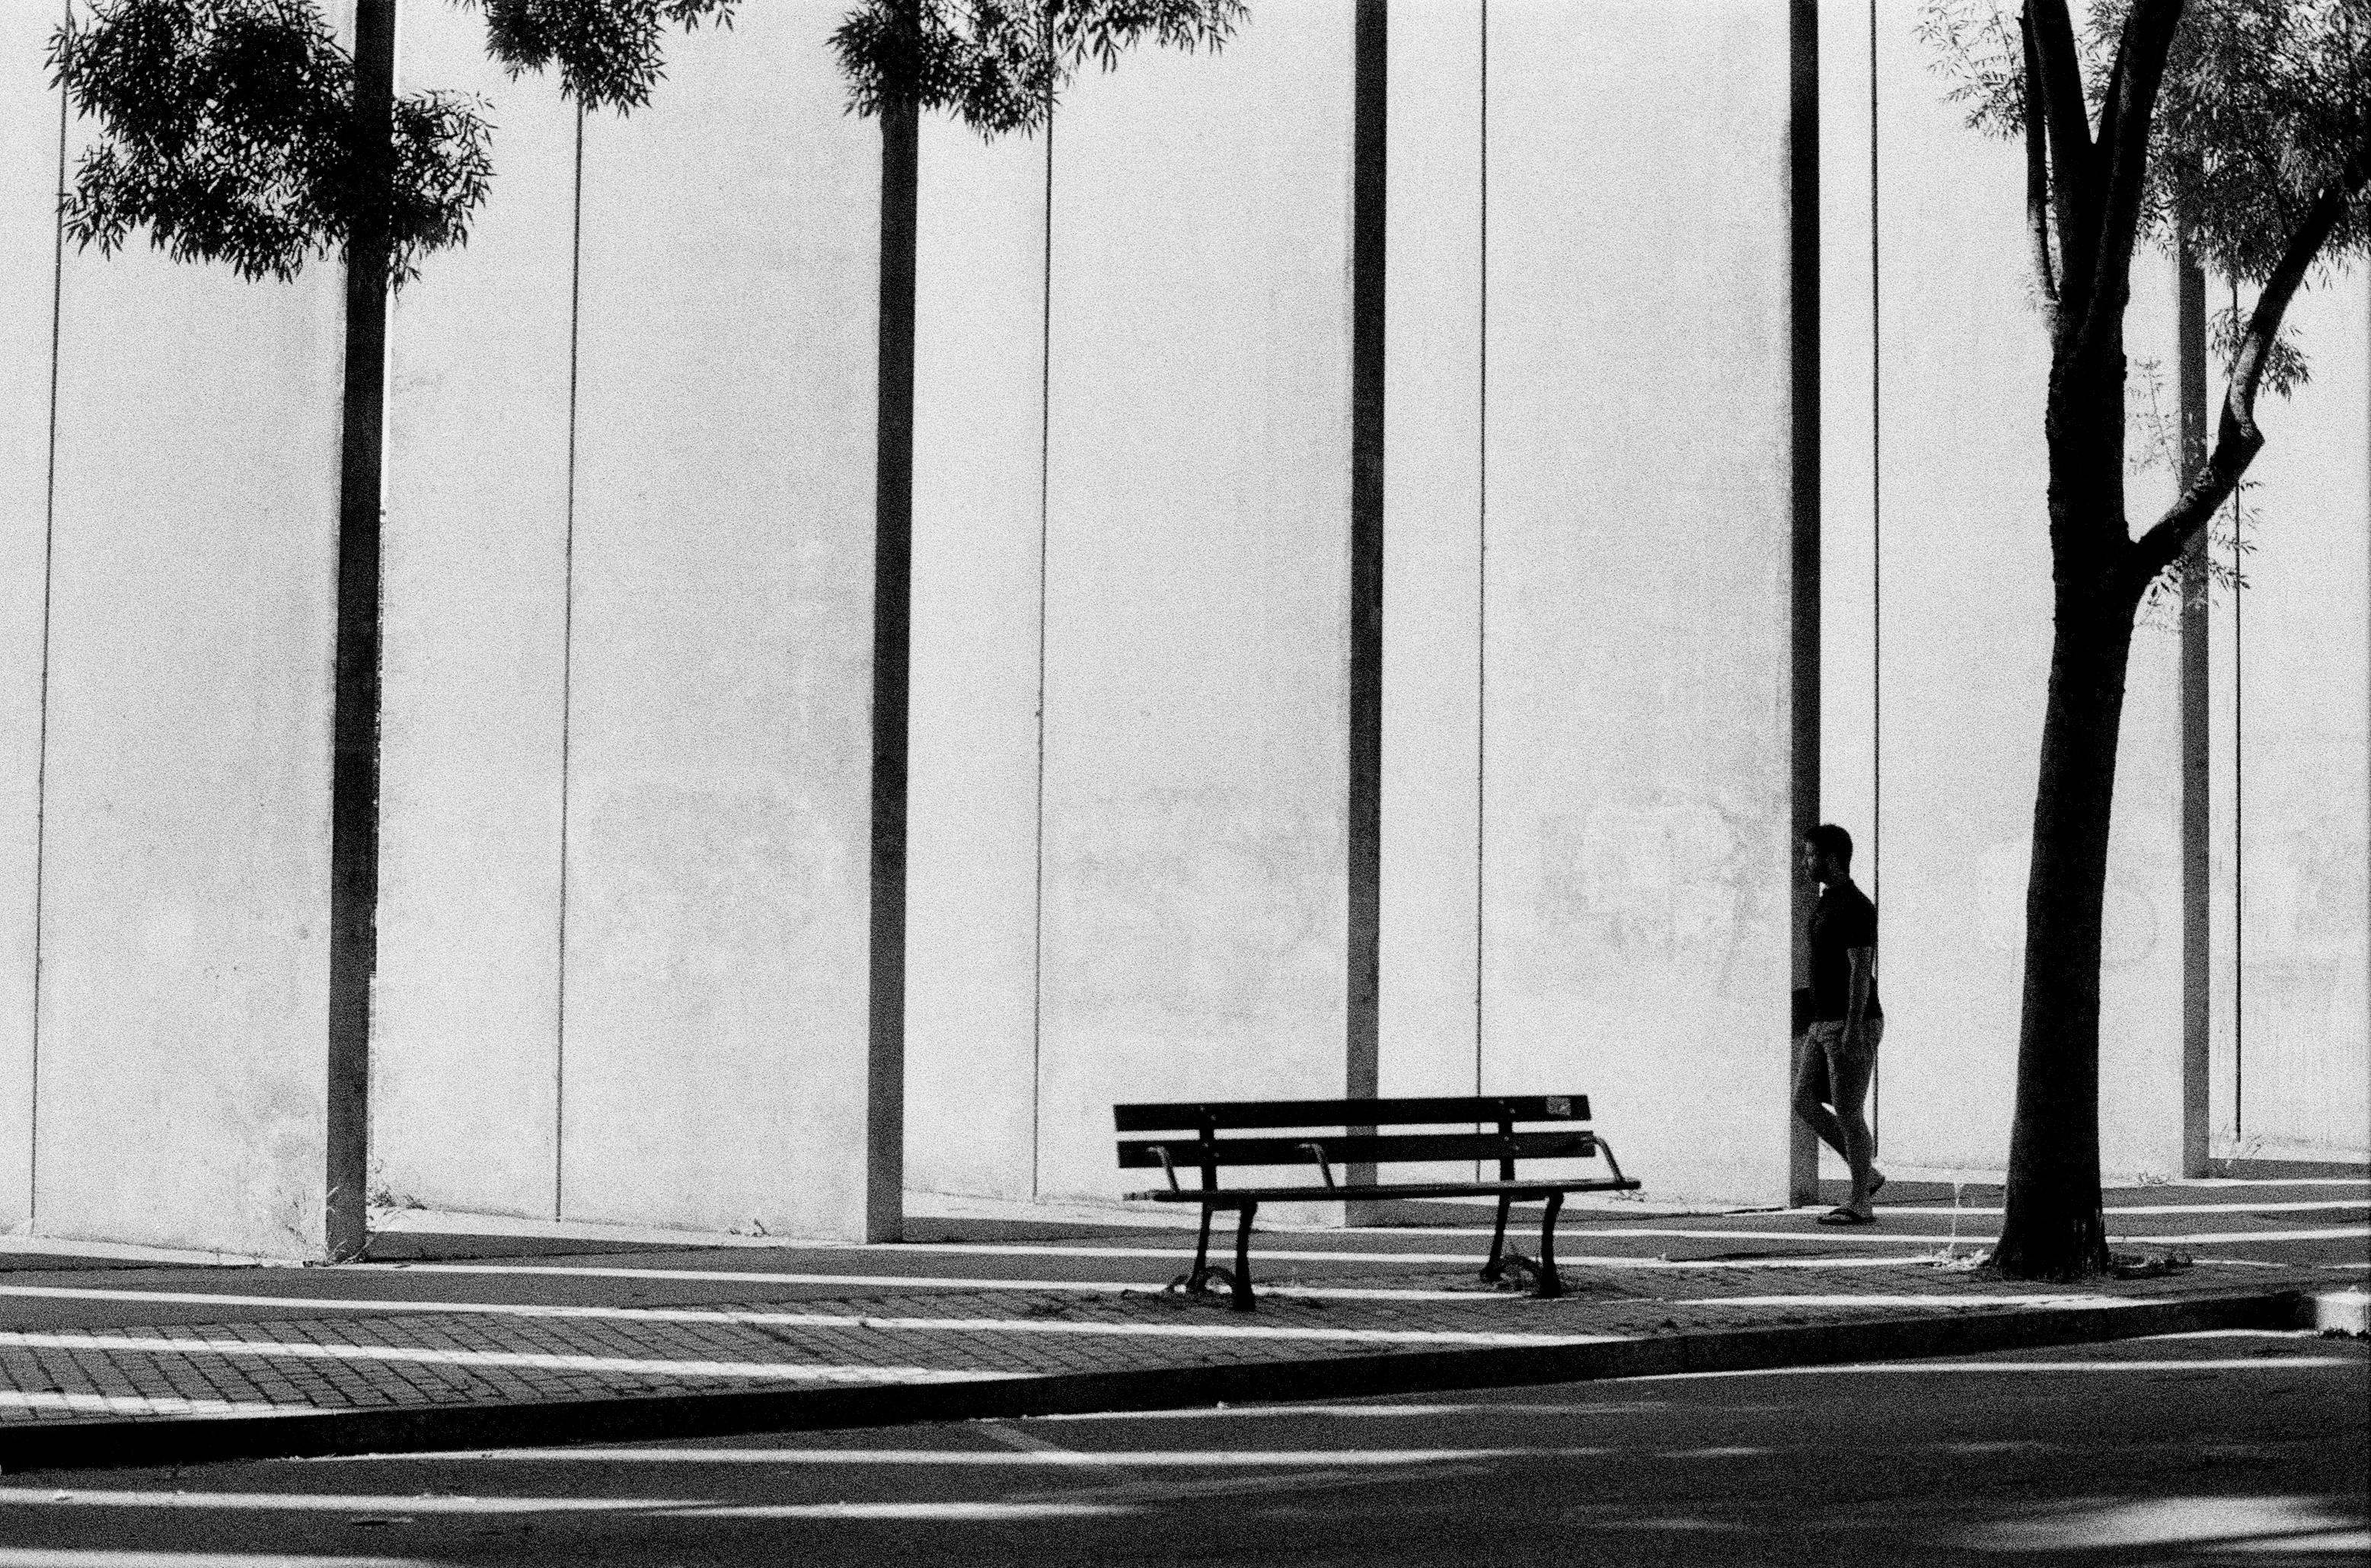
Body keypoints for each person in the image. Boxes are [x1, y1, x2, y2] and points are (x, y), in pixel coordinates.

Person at [1794, 823, 1886, 1225]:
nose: (1805, 861)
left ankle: (1860, 1202)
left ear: (1831, 859)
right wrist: (1808, 1019)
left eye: (1811, 855)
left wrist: (1851, 1029)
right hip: (1822, 1023)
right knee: (1804, 1102)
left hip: (1852, 1023)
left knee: (1849, 1111)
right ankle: (1869, 1175)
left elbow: (1860, 969)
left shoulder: (1856, 906)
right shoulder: (1826, 901)